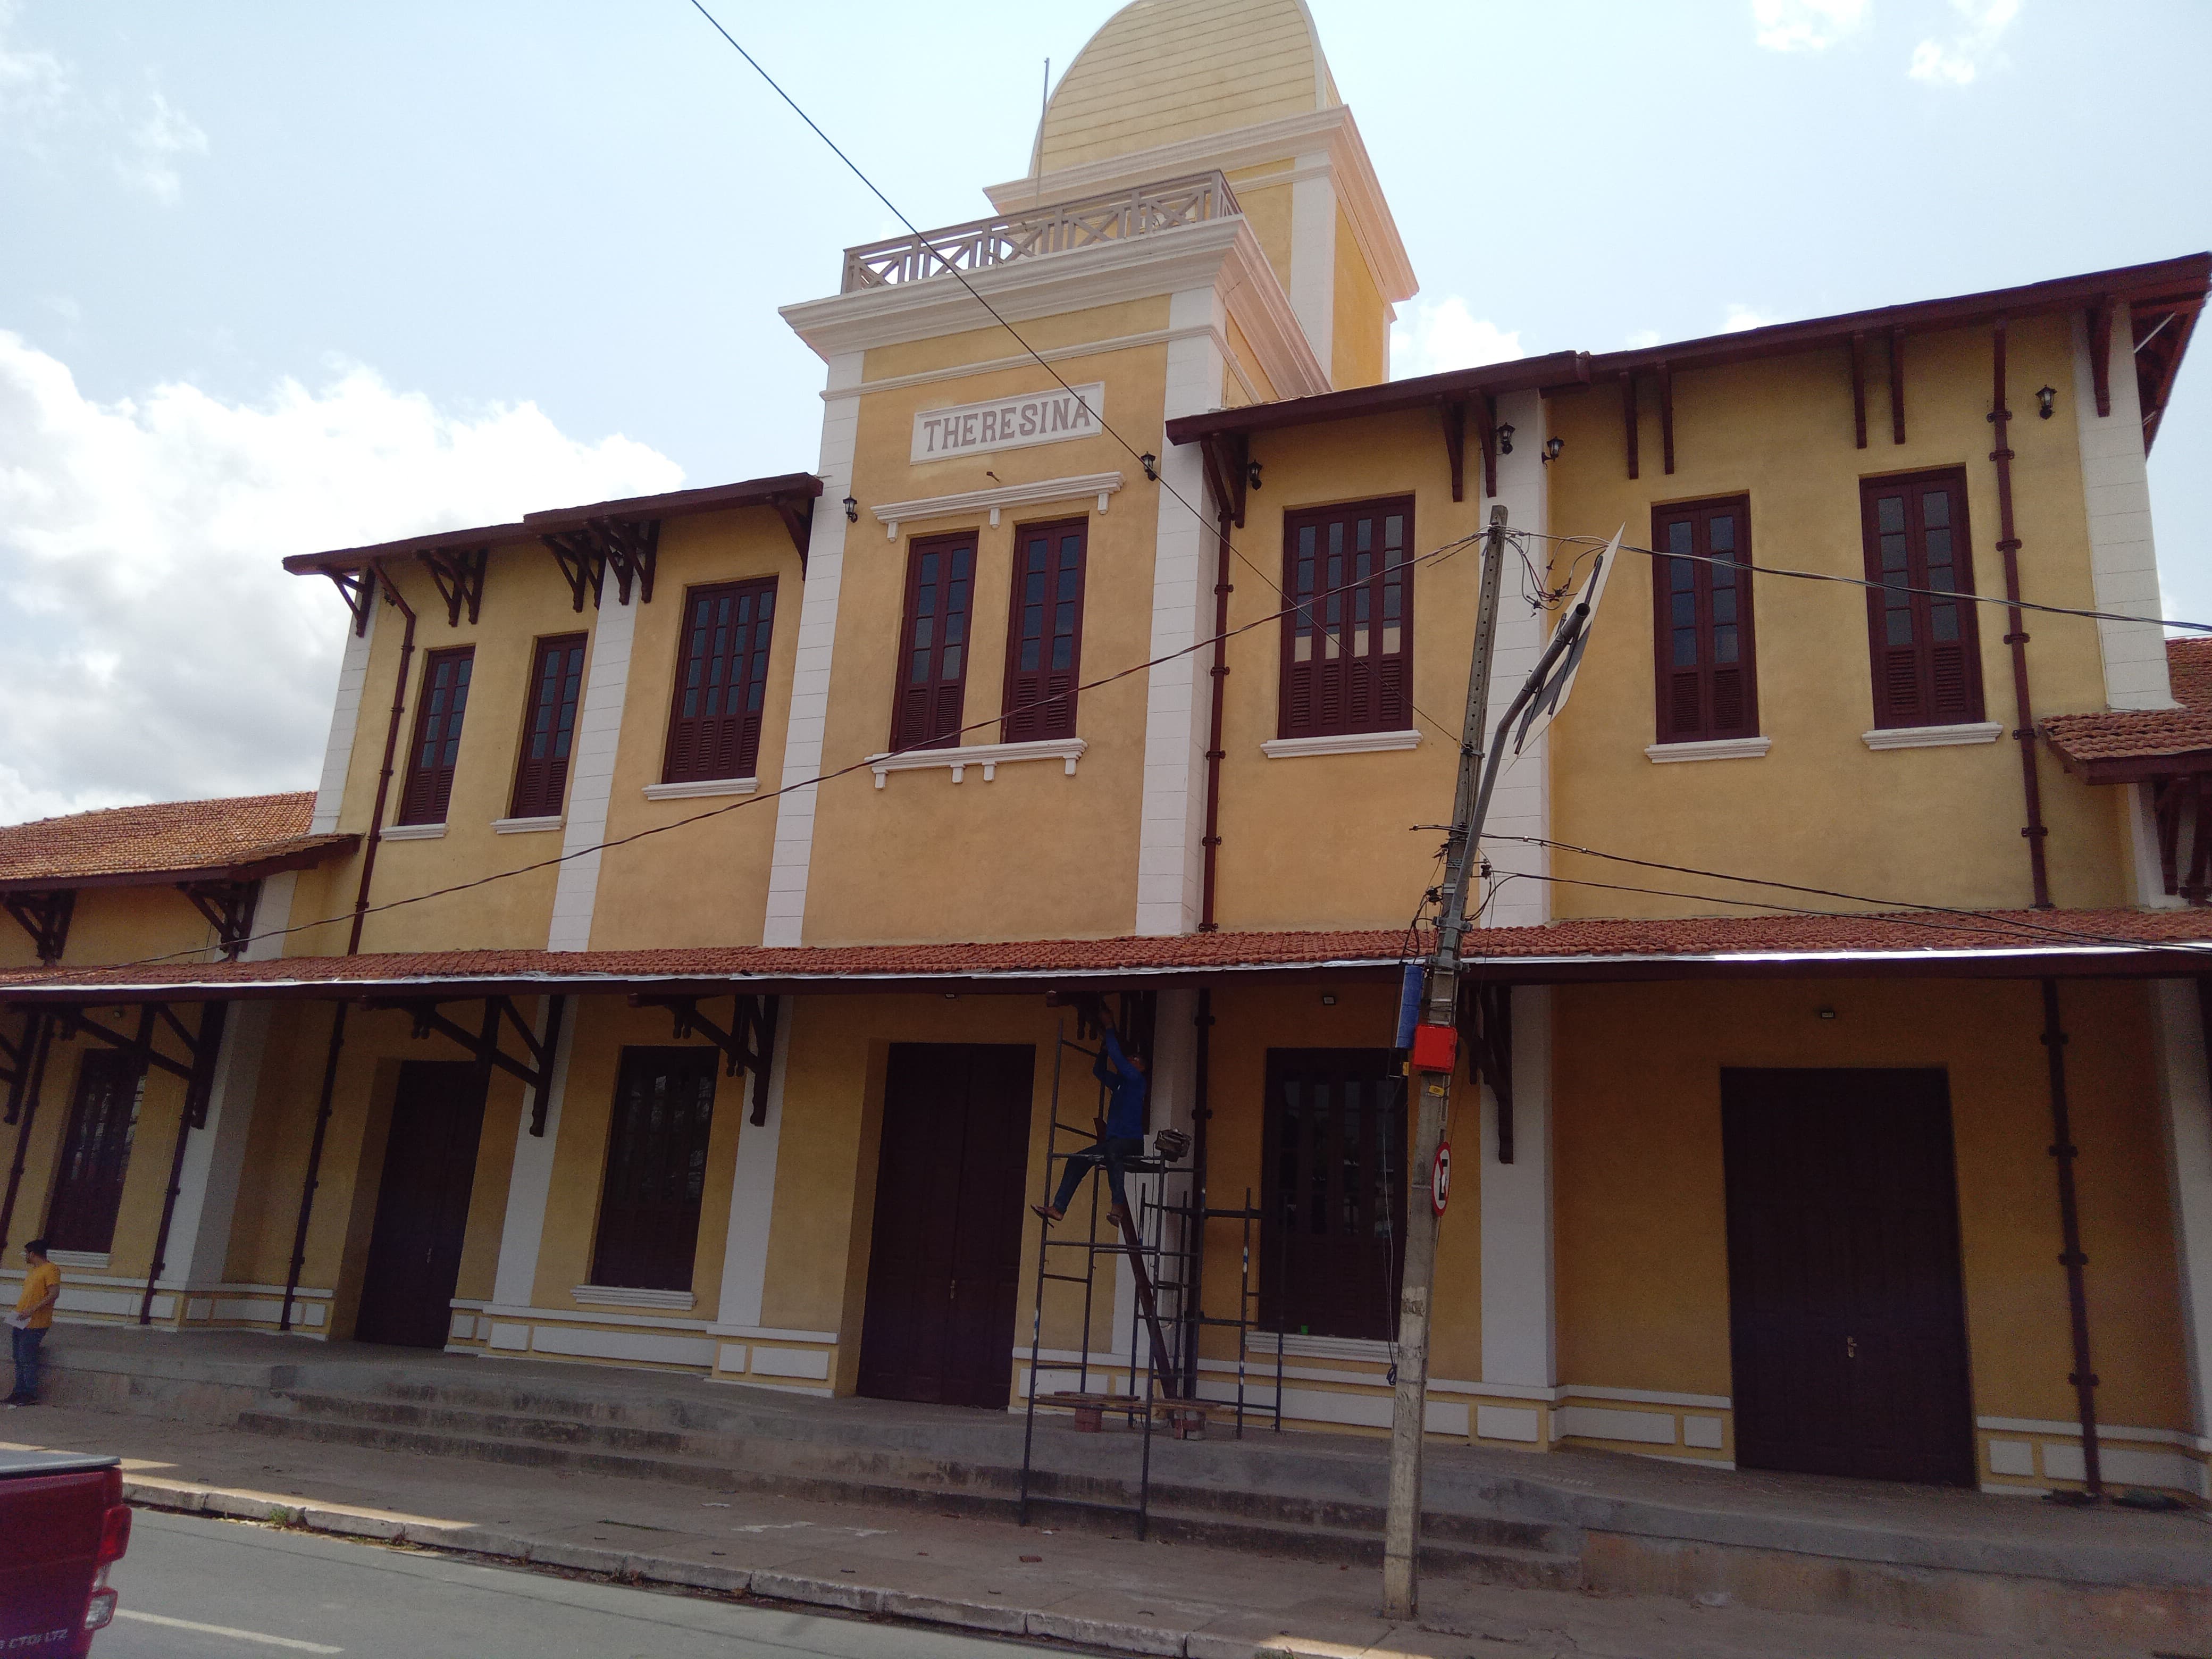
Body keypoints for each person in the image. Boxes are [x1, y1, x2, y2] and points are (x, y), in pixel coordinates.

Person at [1035, 1024, 1149, 1227]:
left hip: (1131, 1142)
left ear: (1141, 1066)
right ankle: (1059, 1208)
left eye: (1135, 1059)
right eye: (1130, 1058)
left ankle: (1118, 1205)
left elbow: (1120, 1060)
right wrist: (1102, 1053)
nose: (1130, 1060)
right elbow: (1099, 1071)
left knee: (1113, 1151)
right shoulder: (1121, 1083)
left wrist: (1110, 1029)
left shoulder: (1137, 1079)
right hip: (1115, 1142)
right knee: (1077, 1160)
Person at [7, 1238, 58, 1407]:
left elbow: (53, 1294)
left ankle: (30, 1393)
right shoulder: (34, 1271)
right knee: (18, 1358)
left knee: (27, 1358)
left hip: (36, 1322)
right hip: (21, 1320)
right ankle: (19, 1391)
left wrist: (32, 1309)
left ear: (33, 1254)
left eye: (27, 1253)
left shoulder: (51, 1269)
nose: (25, 1257)